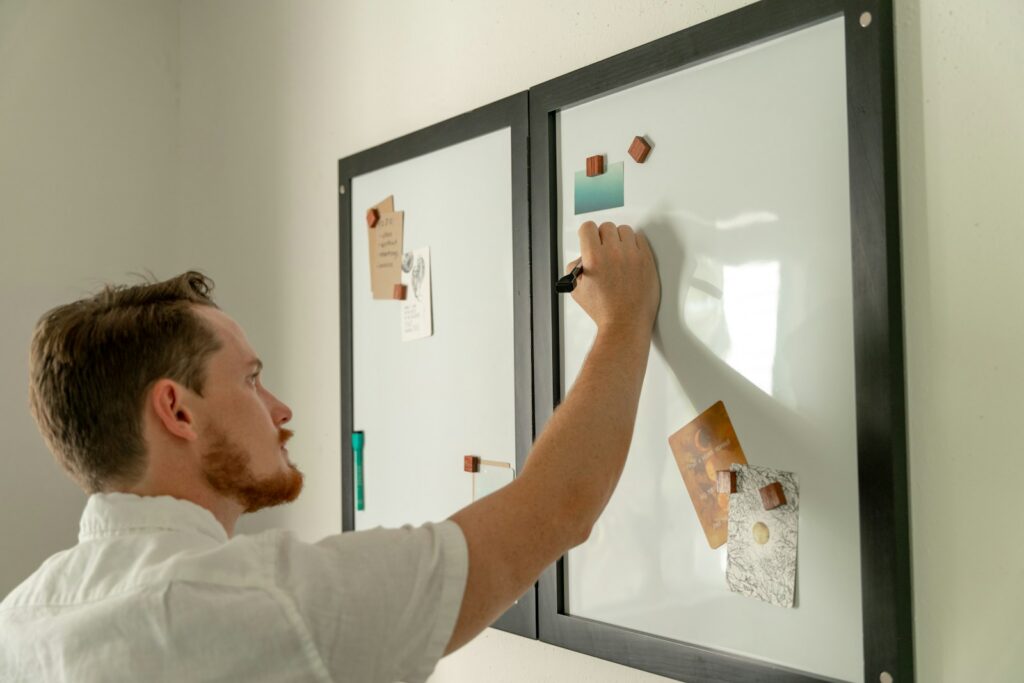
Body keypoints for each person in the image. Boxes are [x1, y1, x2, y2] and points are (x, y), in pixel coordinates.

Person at [0, 220, 659, 682]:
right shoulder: (259, 602)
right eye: (251, 379)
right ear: (177, 410)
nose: (280, 410)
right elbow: (559, 504)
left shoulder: (18, 621)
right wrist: (626, 319)